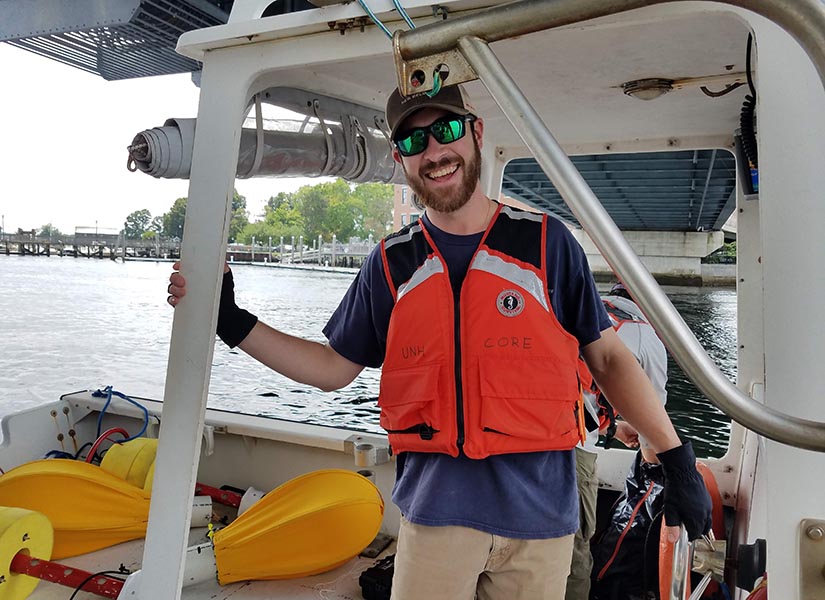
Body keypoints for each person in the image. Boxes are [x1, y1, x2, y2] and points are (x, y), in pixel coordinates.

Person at [167, 84, 712, 600]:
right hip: (434, 521)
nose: (432, 150)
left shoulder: (548, 244)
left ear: (475, 132)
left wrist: (676, 456)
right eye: (411, 141)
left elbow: (610, 357)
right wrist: (233, 323)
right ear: (402, 161)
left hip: (541, 524)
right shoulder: (389, 262)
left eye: (444, 130)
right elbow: (332, 367)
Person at [565, 283, 668, 600]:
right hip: (569, 453)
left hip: (512, 444)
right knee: (573, 550)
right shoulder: (645, 335)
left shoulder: (572, 306)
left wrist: (614, 428)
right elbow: (654, 427)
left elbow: (575, 392)